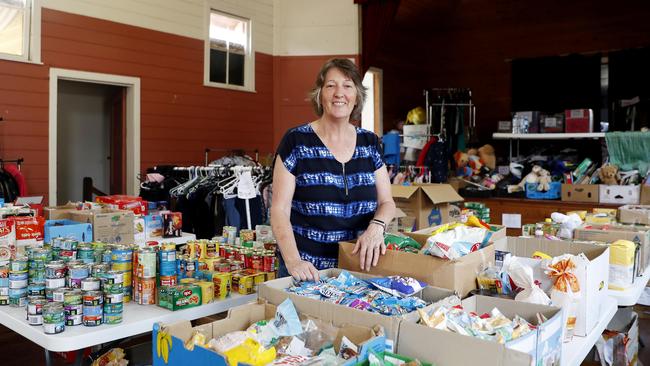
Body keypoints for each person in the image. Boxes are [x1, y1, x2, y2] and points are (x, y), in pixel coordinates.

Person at [271, 58, 396, 281]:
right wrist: (293, 261)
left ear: (357, 95)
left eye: (347, 86)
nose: (339, 93)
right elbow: (279, 210)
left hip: (358, 271)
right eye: (331, 85)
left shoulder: (369, 143)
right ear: (319, 94)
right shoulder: (296, 141)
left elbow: (387, 202)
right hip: (308, 272)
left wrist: (377, 228)